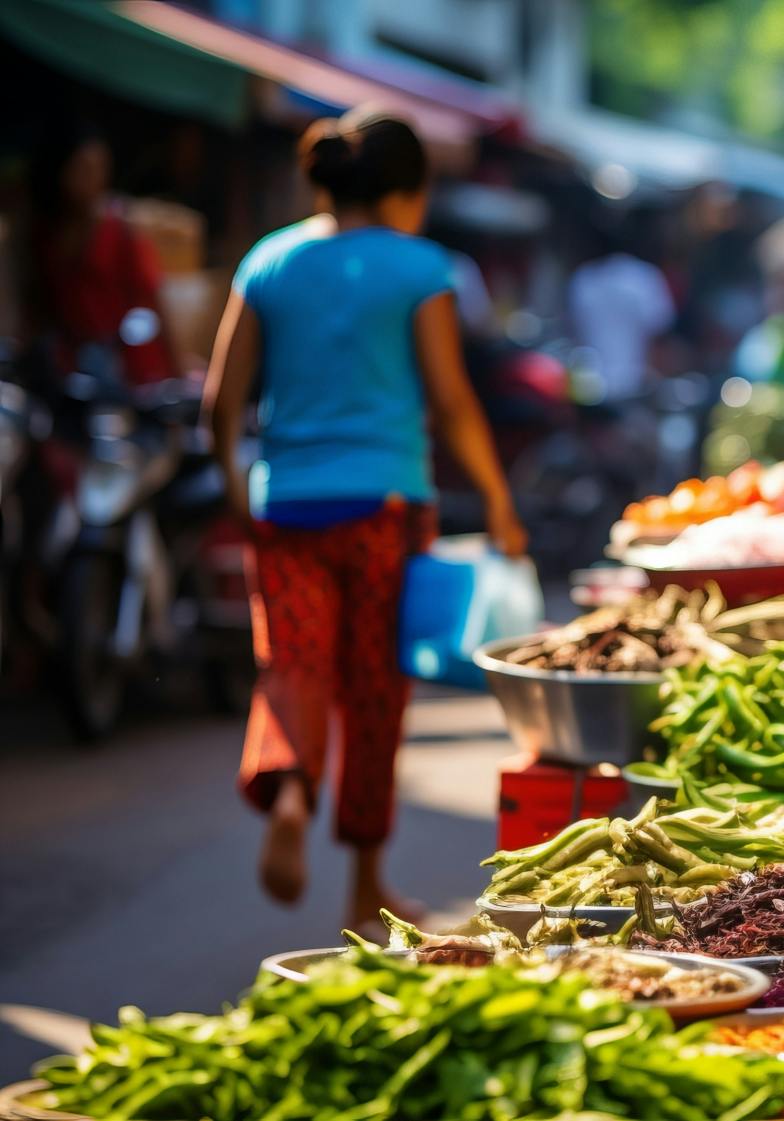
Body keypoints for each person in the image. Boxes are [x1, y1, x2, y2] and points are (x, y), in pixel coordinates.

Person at [203, 109, 527, 934]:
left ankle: (289, 793)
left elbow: (221, 402)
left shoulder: (267, 260)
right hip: (385, 506)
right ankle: (364, 885)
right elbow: (452, 402)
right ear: (406, 193)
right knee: (375, 692)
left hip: (287, 505)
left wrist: (241, 496)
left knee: (295, 664)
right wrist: (496, 499)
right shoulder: (421, 267)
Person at [26, 119, 178, 385]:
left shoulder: (121, 230)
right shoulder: (46, 233)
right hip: (73, 368)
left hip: (126, 370)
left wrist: (178, 371)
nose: (93, 180)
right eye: (83, 169)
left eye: (99, 168)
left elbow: (154, 301)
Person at [568, 214, 676, 403]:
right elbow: (660, 336)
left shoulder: (582, 278)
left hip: (590, 385)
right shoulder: (645, 277)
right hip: (634, 386)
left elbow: (574, 332)